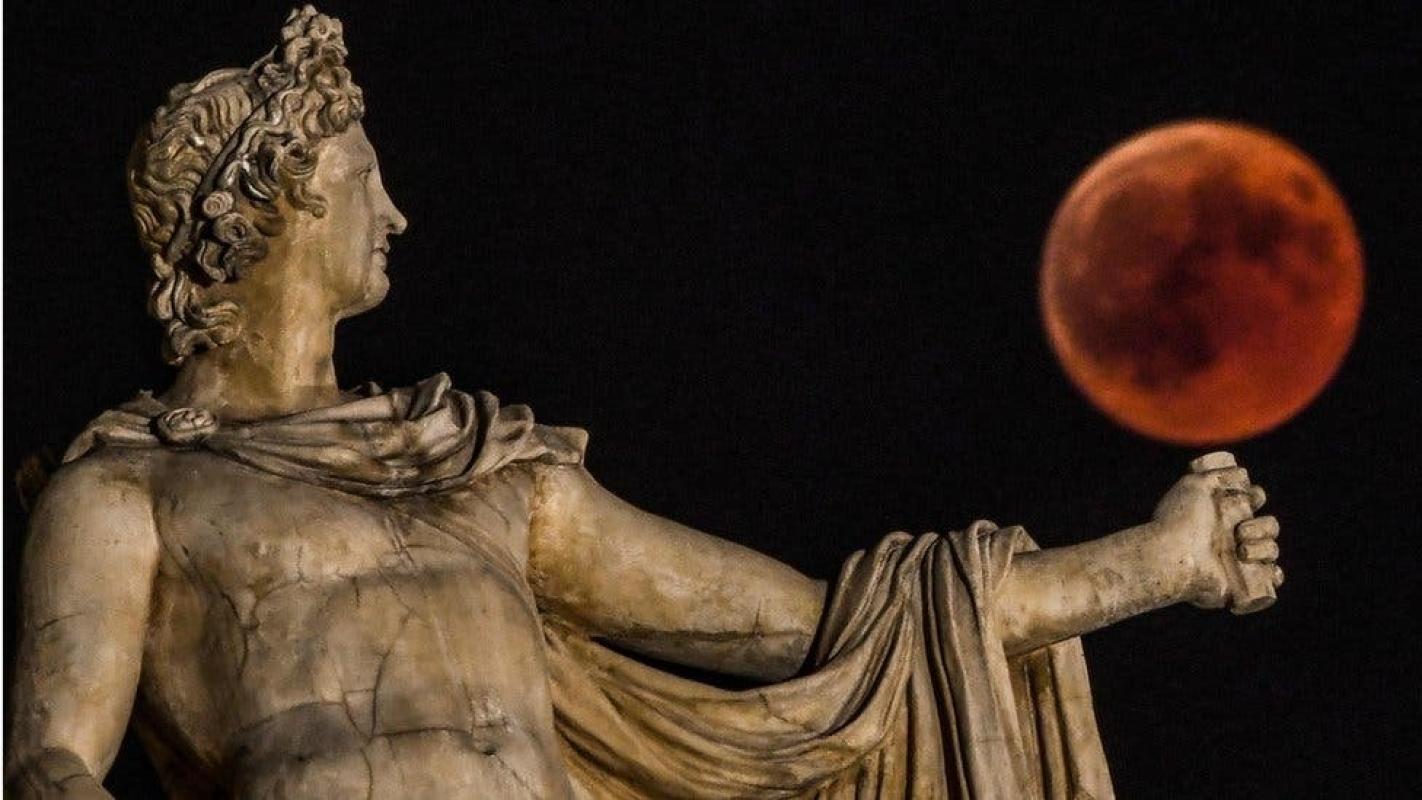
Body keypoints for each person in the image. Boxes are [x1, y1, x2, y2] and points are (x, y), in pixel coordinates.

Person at [5, 8, 1282, 798]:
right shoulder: (128, 493)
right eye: (362, 179)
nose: (394, 212)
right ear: (276, 204)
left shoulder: (477, 465)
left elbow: (825, 628)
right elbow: (47, 760)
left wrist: (1157, 563)